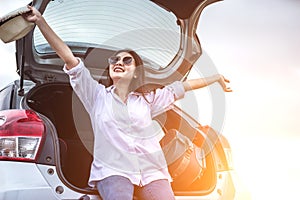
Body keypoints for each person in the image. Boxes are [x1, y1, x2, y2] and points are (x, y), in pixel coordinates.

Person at [23, 6, 232, 200]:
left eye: (126, 60)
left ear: (135, 73)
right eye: (115, 60)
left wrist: (215, 78)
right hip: (113, 172)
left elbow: (181, 87)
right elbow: (68, 57)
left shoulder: (148, 101)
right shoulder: (96, 96)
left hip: (152, 173)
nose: (119, 63)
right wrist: (40, 22)